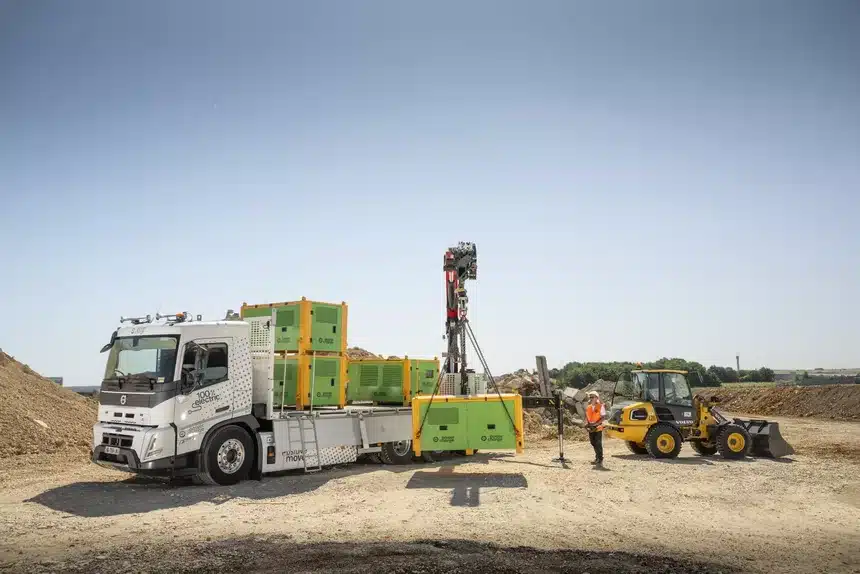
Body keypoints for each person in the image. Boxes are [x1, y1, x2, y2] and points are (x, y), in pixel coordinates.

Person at [585, 390, 606, 466]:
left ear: (596, 398)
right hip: (591, 427)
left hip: (598, 427)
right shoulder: (588, 407)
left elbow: (603, 417)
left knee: (598, 443)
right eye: (590, 397)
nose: (591, 398)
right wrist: (586, 424)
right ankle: (598, 457)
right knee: (593, 442)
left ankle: (599, 458)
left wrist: (596, 424)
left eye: (592, 397)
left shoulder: (600, 406)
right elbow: (587, 417)